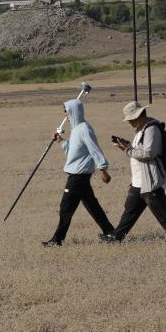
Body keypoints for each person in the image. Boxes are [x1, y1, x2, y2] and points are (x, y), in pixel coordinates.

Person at [103, 101, 166, 242]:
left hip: (149, 178)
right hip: (138, 179)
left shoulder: (151, 129)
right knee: (130, 211)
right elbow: (141, 149)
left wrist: (127, 150)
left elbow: (149, 153)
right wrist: (128, 145)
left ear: (138, 116)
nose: (129, 122)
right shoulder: (141, 129)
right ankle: (116, 237)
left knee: (160, 209)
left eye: (130, 119)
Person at [42, 100, 114, 247]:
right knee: (92, 206)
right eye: (64, 113)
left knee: (66, 207)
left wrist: (103, 168)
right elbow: (75, 153)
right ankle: (110, 233)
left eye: (67, 112)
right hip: (78, 174)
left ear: (74, 112)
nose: (65, 116)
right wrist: (61, 141)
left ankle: (57, 240)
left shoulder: (84, 129)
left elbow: (94, 149)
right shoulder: (76, 129)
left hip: (78, 176)